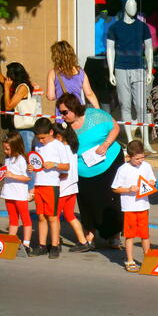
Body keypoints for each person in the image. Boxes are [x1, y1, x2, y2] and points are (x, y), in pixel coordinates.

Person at [56, 93, 123, 249]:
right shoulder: (65, 127)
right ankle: (89, 238)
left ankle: (115, 237)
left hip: (109, 162)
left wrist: (105, 145)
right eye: (61, 113)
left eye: (65, 112)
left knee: (110, 201)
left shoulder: (95, 115)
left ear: (74, 108)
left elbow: (115, 127)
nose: (62, 116)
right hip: (84, 170)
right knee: (87, 203)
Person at [106, 0, 155, 151]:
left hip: (139, 68)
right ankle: (130, 141)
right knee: (125, 105)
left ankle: (146, 142)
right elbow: (110, 50)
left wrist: (149, 70)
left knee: (141, 106)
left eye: (135, 5)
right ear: (124, 7)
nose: (133, 8)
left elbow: (149, 48)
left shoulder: (142, 27)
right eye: (130, 5)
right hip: (120, 69)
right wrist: (111, 72)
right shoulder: (114, 27)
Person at [27, 118, 70, 259]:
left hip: (51, 185)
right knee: (40, 217)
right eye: (39, 138)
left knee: (52, 217)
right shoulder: (38, 146)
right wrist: (31, 168)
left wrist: (54, 165)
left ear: (51, 132)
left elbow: (66, 167)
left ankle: (55, 244)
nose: (42, 141)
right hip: (39, 184)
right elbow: (36, 163)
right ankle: (42, 245)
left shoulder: (58, 146)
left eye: (44, 138)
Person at [111, 140, 156, 272]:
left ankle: (148, 258)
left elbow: (152, 181)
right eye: (137, 159)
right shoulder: (123, 169)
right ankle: (129, 259)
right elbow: (115, 188)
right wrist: (128, 189)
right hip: (129, 207)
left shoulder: (146, 166)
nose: (140, 161)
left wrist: (152, 183)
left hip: (143, 206)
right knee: (130, 235)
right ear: (129, 157)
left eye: (142, 157)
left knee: (145, 235)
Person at [52, 123, 91, 253]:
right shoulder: (72, 147)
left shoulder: (61, 149)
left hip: (63, 187)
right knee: (70, 215)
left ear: (58, 136)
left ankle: (55, 241)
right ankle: (83, 241)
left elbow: (63, 170)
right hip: (73, 186)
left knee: (55, 216)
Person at [0, 60, 36, 154]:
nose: (7, 77)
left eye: (8, 74)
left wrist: (6, 88)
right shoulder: (14, 85)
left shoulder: (22, 87)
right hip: (17, 126)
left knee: (26, 155)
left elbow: (8, 106)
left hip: (25, 128)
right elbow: (2, 79)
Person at [0, 131, 32, 255]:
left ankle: (26, 243)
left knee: (25, 219)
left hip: (19, 194)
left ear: (15, 146)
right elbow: (6, 174)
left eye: (7, 149)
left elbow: (27, 177)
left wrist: (12, 175)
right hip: (8, 193)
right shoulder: (8, 159)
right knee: (13, 219)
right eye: (4, 149)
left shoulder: (21, 159)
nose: (6, 151)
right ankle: (10, 241)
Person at [47, 40, 99, 113]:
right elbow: (89, 94)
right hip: (78, 111)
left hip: (63, 113)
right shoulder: (80, 72)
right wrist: (98, 110)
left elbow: (50, 96)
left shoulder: (53, 73)